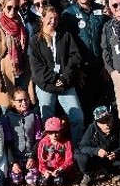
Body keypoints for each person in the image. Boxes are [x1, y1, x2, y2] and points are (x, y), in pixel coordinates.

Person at [29, 8, 86, 143]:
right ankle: (49, 148)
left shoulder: (65, 36)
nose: (52, 21)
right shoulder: (35, 41)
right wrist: (55, 78)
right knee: (47, 119)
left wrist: (64, 77)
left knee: (77, 117)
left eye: (55, 18)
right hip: (46, 84)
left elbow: (75, 58)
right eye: (49, 18)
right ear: (42, 19)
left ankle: (77, 147)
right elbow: (36, 67)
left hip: (65, 83)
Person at [76, 106, 120, 184]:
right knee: (82, 158)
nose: (106, 124)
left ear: (112, 118)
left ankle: (112, 172)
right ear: (96, 122)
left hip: (110, 158)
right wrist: (96, 151)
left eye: (107, 119)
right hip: (95, 158)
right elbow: (82, 147)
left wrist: (115, 153)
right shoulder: (92, 129)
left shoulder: (118, 127)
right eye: (102, 122)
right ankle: (89, 174)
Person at [0, 89, 43, 185]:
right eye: (20, 101)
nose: (24, 102)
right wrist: (13, 162)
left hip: (30, 156)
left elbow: (38, 139)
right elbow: (8, 142)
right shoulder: (7, 118)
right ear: (13, 102)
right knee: (16, 180)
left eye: (26, 99)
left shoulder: (34, 116)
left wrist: (33, 157)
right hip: (16, 157)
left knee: (32, 181)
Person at [34, 117, 75, 186]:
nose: (54, 135)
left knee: (59, 181)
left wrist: (61, 169)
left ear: (61, 131)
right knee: (44, 182)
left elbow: (69, 160)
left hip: (62, 170)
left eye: (56, 132)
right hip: (48, 169)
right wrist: (44, 171)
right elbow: (41, 160)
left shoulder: (66, 143)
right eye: (50, 132)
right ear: (46, 132)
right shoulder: (43, 143)